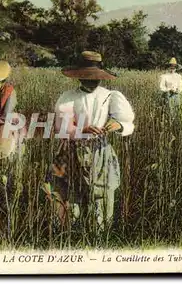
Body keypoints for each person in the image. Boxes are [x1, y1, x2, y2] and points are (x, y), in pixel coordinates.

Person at [45, 51, 135, 230]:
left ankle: (98, 233)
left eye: (94, 77)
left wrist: (115, 125)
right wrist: (82, 129)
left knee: (101, 193)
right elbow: (61, 127)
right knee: (70, 192)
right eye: (86, 77)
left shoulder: (110, 96)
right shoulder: (68, 97)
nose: (91, 81)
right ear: (79, 77)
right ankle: (71, 232)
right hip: (71, 150)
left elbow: (127, 121)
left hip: (99, 150)